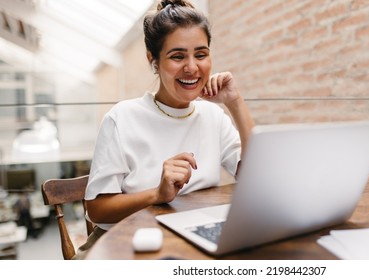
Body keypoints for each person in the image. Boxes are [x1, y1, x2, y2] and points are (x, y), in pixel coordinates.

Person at [74, 0, 254, 259]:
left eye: (201, 54)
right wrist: (157, 194)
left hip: (191, 237)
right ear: (154, 60)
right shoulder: (122, 118)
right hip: (126, 245)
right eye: (177, 56)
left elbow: (254, 176)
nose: (192, 67)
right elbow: (98, 210)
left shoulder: (212, 115)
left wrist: (235, 102)